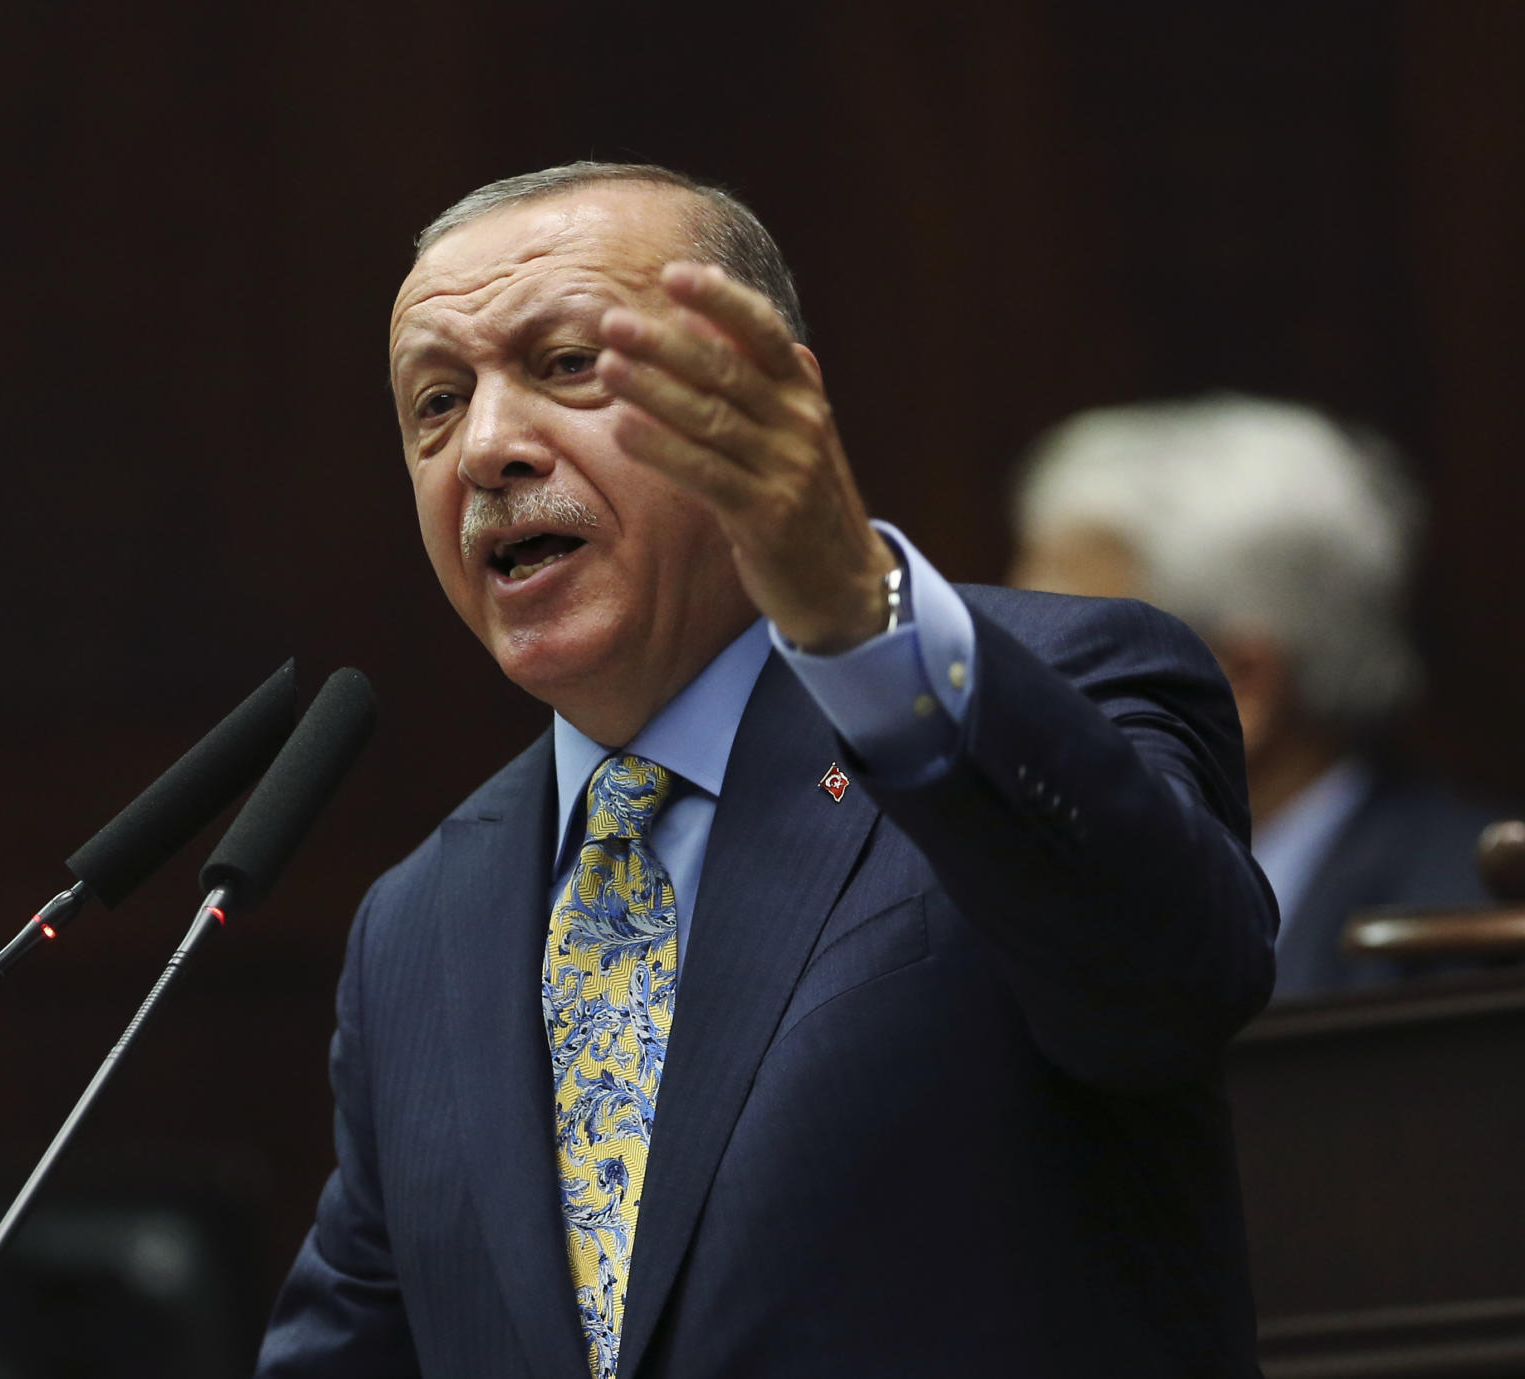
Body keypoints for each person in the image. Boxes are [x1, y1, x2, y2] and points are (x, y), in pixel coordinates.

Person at [256, 163, 1277, 1378]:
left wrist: (861, 624)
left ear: (776, 405)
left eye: (568, 364)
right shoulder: (415, 925)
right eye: (434, 402)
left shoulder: (1046, 689)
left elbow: (1169, 989)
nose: (485, 448)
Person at [1009, 396, 1498, 1000]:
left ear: (1241, 685)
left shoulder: (1468, 940)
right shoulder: (1020, 895)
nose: (1004, 690)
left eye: (1055, 653)